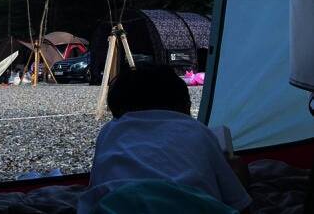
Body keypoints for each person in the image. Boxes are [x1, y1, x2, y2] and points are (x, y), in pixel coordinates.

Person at [78, 65, 251, 214]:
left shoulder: (109, 131)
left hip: (119, 204)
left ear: (117, 110)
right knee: (236, 172)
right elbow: (239, 203)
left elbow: (96, 186)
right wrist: (238, 173)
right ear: (185, 106)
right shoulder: (198, 131)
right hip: (190, 204)